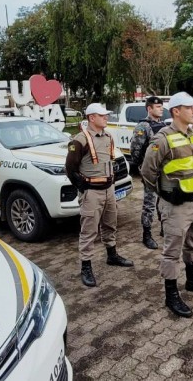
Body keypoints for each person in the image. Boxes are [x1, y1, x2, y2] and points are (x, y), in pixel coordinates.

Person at [142, 92, 193, 318]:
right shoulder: (162, 138)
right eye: (190, 108)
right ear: (176, 111)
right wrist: (164, 194)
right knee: (172, 251)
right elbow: (147, 172)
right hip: (175, 206)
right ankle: (171, 294)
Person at [65, 103, 133, 287]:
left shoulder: (108, 136)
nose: (106, 118)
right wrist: (82, 186)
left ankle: (112, 255)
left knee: (111, 223)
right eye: (102, 115)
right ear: (91, 118)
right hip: (92, 192)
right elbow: (70, 168)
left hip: (109, 189)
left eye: (106, 115)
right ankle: (86, 267)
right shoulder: (80, 140)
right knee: (89, 231)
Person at [130, 96, 166, 249]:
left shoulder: (164, 125)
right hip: (150, 171)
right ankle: (147, 234)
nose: (161, 109)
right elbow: (135, 151)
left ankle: (164, 228)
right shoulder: (143, 127)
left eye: (161, 106)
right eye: (157, 107)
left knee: (164, 201)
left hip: (164, 171)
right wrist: (142, 169)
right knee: (149, 204)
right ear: (149, 109)